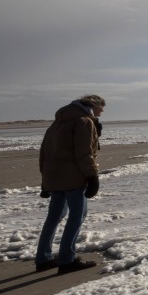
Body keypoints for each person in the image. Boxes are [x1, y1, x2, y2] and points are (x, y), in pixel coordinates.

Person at [35, 94, 104, 274]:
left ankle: (43, 258)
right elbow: (84, 153)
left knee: (54, 217)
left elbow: (44, 154)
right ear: (92, 106)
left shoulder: (56, 124)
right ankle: (67, 259)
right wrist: (92, 177)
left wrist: (45, 182)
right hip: (74, 177)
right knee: (77, 215)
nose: (101, 114)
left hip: (54, 178)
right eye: (100, 109)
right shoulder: (83, 122)